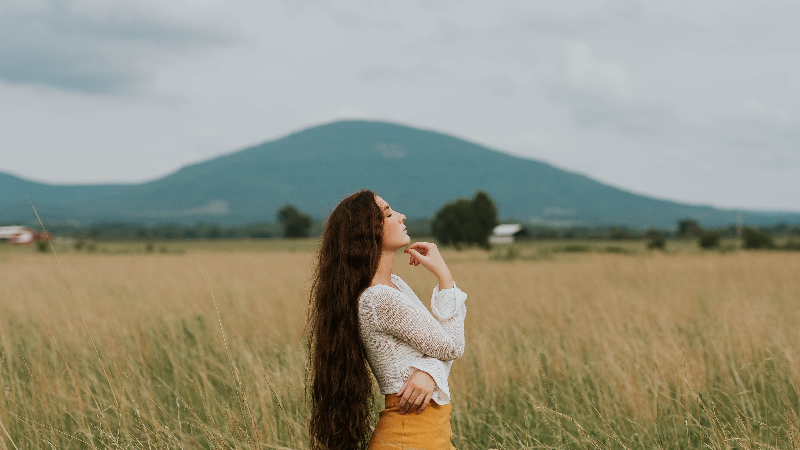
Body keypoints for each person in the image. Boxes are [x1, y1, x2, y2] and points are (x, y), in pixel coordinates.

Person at [307, 189, 468, 450]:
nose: (402, 217)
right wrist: (444, 277)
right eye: (389, 213)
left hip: (428, 432)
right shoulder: (379, 299)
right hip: (409, 434)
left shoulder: (395, 285)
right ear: (368, 231)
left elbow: (440, 342)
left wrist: (429, 372)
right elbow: (451, 347)